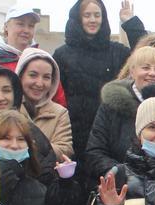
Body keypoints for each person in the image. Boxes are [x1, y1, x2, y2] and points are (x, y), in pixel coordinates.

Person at [53, 0, 148, 176]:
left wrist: (131, 23)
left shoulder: (117, 52)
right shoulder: (62, 54)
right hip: (75, 134)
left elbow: (146, 55)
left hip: (109, 132)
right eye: (87, 15)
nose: (93, 20)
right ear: (78, 18)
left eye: (97, 15)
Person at [82, 46, 155, 178]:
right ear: (132, 71)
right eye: (145, 68)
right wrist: (121, 174)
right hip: (122, 187)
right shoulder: (111, 106)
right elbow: (96, 151)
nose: (152, 73)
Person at [0, 6, 67, 106]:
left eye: (30, 26)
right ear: (6, 27)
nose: (26, 30)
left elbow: (59, 101)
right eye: (20, 24)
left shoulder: (43, 61)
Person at [16, 48, 73, 159]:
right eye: (33, 75)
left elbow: (65, 150)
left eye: (46, 77)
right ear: (20, 75)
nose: (39, 83)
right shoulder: (9, 108)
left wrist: (24, 146)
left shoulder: (60, 113)